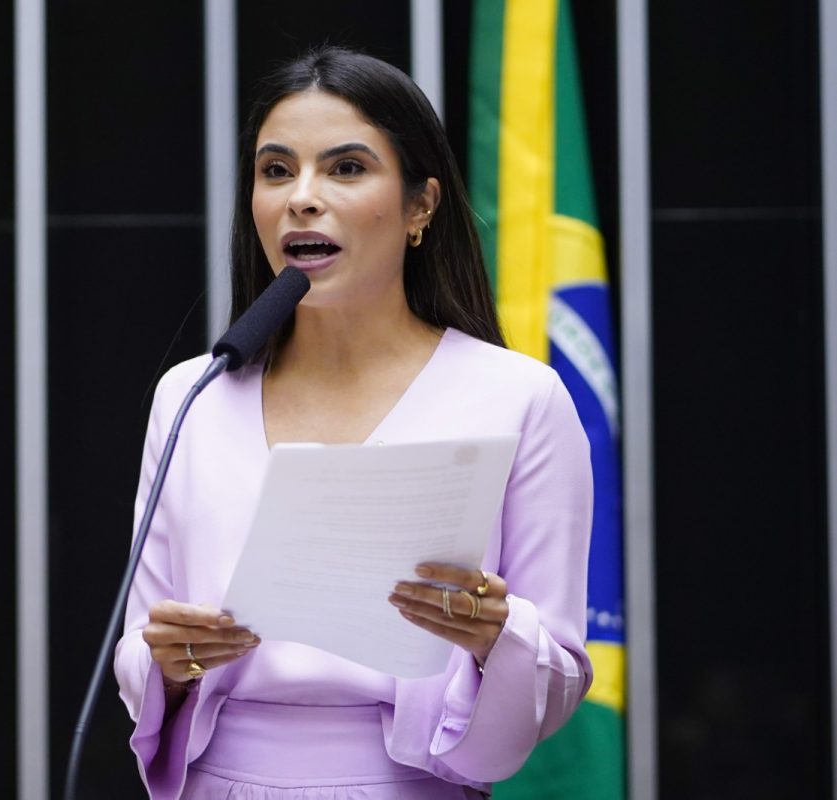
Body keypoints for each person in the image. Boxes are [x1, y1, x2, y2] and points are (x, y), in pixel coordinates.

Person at [114, 46, 592, 799]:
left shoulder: (519, 397)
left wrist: (498, 636)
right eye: (276, 171)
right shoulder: (192, 394)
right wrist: (168, 661)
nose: (301, 197)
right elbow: (141, 643)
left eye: (344, 168)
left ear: (419, 206)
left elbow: (559, 669)